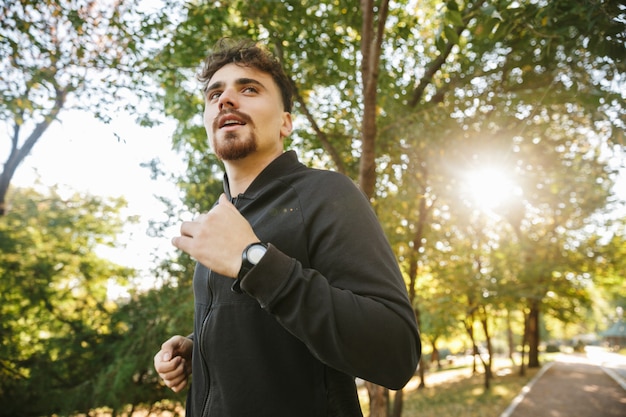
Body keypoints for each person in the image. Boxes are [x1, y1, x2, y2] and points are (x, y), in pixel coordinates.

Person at [153, 38, 421, 417]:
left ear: (285, 122)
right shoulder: (219, 221)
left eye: (249, 89)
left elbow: (396, 352)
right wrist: (201, 347)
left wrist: (252, 260)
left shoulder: (328, 192)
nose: (225, 100)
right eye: (215, 94)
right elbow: (275, 338)